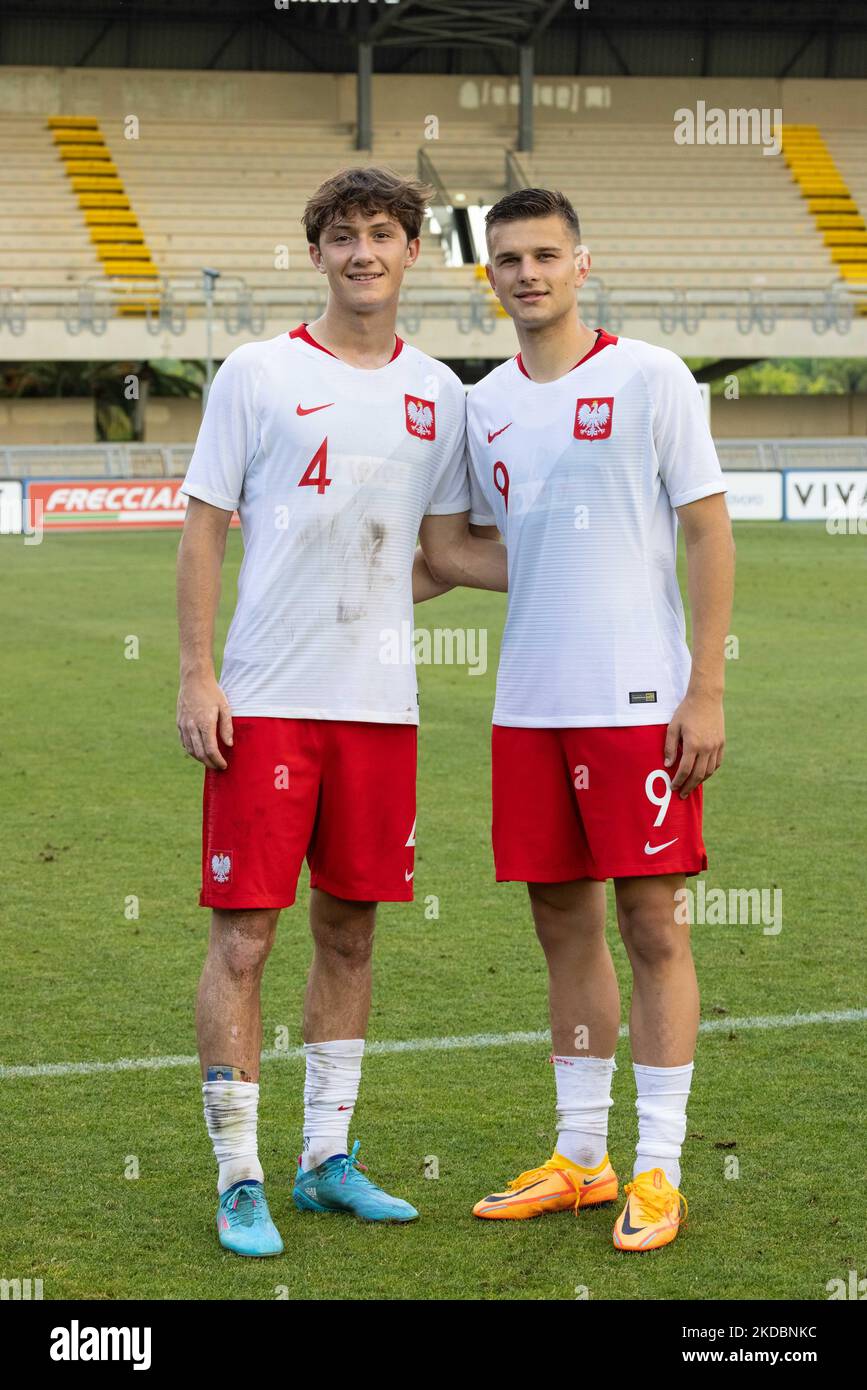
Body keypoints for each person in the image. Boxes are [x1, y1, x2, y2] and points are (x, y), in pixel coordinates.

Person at [176, 166, 506, 1256]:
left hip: (379, 708)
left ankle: (326, 1159)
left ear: (414, 252)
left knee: (352, 933)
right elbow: (206, 526)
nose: (364, 252)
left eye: (384, 234)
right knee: (246, 936)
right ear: (316, 252)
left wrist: (581, 546)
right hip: (265, 702)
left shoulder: (443, 396)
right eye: (344, 235)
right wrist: (194, 673)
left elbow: (446, 551)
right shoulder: (257, 374)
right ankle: (239, 1175)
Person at [464, 188, 734, 1251]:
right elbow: (471, 548)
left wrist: (703, 687)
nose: (527, 272)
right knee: (561, 927)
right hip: (529, 706)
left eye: (544, 254)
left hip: (636, 707)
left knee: (654, 926)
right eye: (508, 259)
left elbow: (708, 533)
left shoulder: (650, 377)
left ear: (583, 264)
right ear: (488, 277)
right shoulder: (481, 402)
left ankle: (660, 1170)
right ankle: (583, 1155)